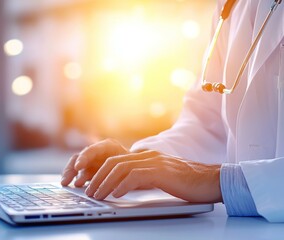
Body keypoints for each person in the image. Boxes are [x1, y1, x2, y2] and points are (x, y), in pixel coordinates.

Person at [61, 0, 284, 222]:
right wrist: (138, 163)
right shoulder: (232, 5)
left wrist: (223, 182)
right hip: (241, 228)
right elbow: (208, 124)